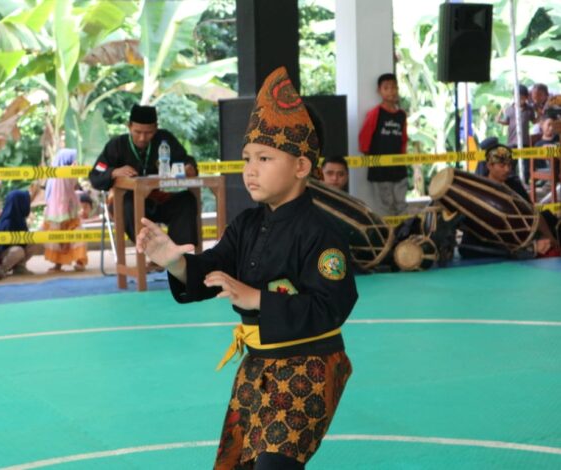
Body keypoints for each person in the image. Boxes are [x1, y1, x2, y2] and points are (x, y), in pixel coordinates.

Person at [137, 67, 356, 470]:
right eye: (247, 159)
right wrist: (173, 259)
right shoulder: (247, 225)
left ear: (302, 166)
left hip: (310, 366)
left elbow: (331, 307)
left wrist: (256, 298)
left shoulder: (323, 233)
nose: (250, 169)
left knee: (274, 465)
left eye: (265, 158)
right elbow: (208, 273)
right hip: (257, 366)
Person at [88, 104, 199, 247]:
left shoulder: (165, 140)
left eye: (149, 133)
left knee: (186, 200)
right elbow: (96, 175)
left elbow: (186, 161)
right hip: (130, 203)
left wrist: (190, 168)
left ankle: (179, 254)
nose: (142, 138)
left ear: (156, 128)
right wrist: (114, 172)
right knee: (127, 204)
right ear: (129, 126)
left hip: (160, 200)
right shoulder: (117, 145)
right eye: (137, 132)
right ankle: (154, 251)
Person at [460, 144, 558, 258]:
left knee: (549, 218)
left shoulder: (514, 185)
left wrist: (552, 239)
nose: (507, 169)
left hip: (517, 237)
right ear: (489, 166)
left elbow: (534, 215)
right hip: (488, 243)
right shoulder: (478, 188)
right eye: (502, 165)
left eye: (509, 165)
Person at [359, 73, 409, 216]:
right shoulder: (376, 113)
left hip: (399, 167)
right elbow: (365, 136)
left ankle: (405, 233)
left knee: (401, 203)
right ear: (379, 91)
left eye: (393, 87)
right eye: (386, 88)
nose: (391, 91)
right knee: (386, 205)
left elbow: (403, 138)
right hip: (380, 169)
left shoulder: (401, 115)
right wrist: (369, 157)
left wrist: (403, 157)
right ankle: (390, 236)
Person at [44, 149, 88, 272]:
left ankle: (78, 262)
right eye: (72, 159)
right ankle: (59, 264)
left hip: (65, 210)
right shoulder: (61, 174)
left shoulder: (66, 172)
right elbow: (61, 195)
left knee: (75, 236)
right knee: (58, 239)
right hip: (60, 211)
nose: (75, 162)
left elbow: (71, 188)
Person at [0, 190, 42, 276]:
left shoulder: (20, 219)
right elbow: (1, 247)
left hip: (17, 249)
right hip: (4, 254)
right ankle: (2, 268)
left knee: (36, 241)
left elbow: (24, 239)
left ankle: (19, 267)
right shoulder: (7, 222)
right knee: (18, 251)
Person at [497, 85, 535, 149]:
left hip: (524, 142)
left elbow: (534, 121)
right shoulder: (509, 109)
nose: (519, 100)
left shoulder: (529, 109)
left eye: (521, 98)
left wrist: (540, 115)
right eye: (516, 98)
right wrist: (500, 121)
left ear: (526, 98)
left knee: (525, 158)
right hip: (512, 141)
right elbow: (507, 122)